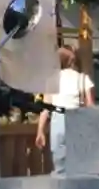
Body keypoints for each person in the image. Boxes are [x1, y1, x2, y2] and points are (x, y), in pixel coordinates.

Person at [35, 45, 94, 176]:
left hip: (58, 119)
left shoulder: (51, 80)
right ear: (73, 60)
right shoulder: (83, 79)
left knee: (59, 159)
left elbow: (45, 108)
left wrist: (40, 131)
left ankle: (61, 182)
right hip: (78, 118)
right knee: (80, 158)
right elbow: (90, 106)